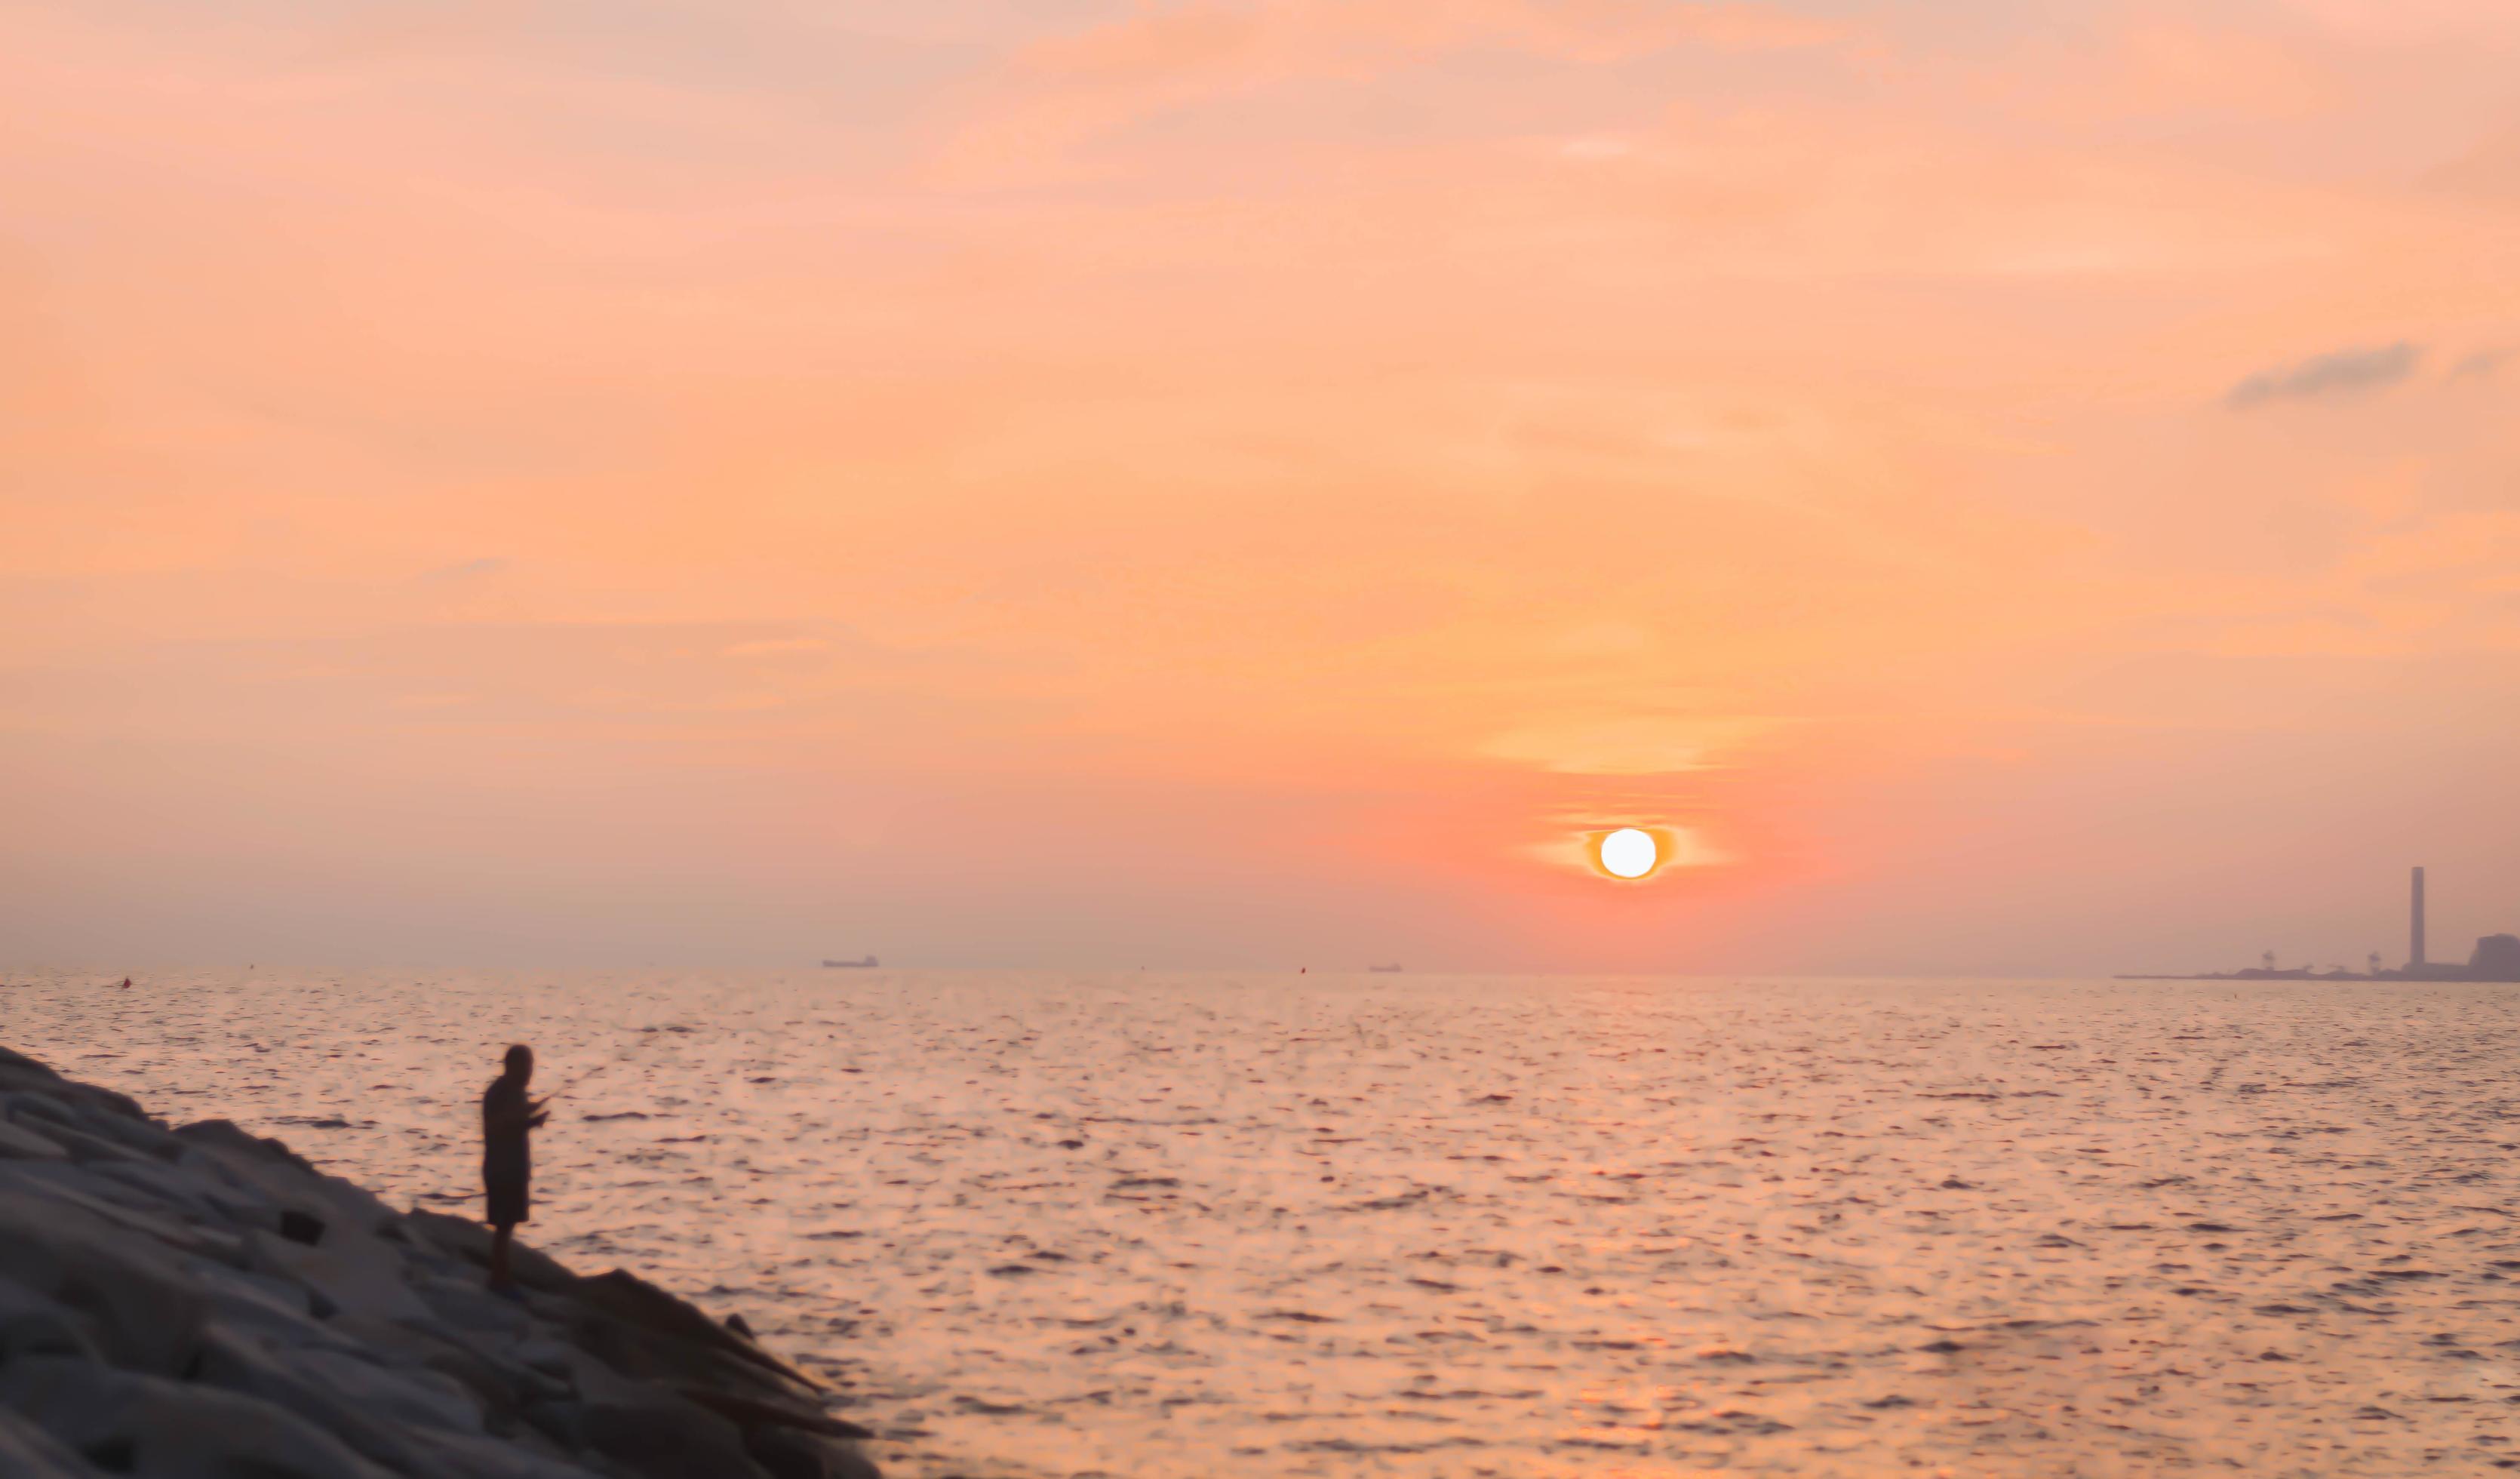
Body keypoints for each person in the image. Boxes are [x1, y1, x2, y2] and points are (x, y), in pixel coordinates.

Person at [481, 1044, 549, 1294]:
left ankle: (502, 1277)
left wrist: (531, 1116)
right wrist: (529, 1119)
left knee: (507, 1226)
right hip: (502, 1170)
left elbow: (514, 1120)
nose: (530, 1071)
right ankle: (499, 1280)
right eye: (527, 1066)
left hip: (514, 1169)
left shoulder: (515, 1092)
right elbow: (501, 1125)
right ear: (512, 1066)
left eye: (531, 1066)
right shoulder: (499, 1092)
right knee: (503, 1226)